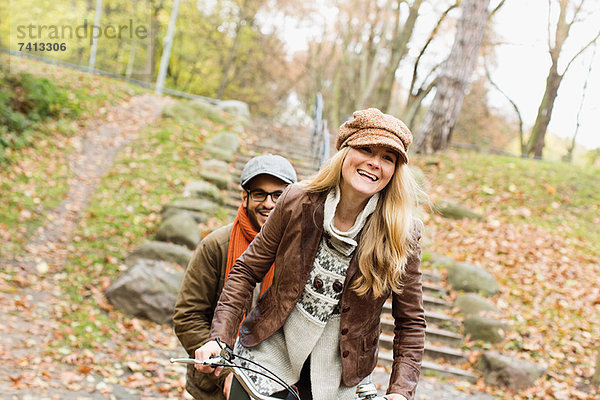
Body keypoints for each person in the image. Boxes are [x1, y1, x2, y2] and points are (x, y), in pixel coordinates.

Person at [197, 108, 426, 400]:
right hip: (267, 356)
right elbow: (245, 272)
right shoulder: (296, 201)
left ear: (395, 171)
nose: (374, 163)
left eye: (387, 158)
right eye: (366, 149)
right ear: (345, 152)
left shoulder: (402, 233)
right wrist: (219, 339)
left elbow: (411, 322)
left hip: (341, 376)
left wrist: (400, 392)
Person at [173, 154, 298, 400]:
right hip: (216, 386)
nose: (269, 204)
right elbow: (187, 315)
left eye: (278, 195)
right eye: (259, 194)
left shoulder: (300, 252)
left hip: (279, 384)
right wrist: (228, 372)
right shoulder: (216, 246)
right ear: (245, 197)